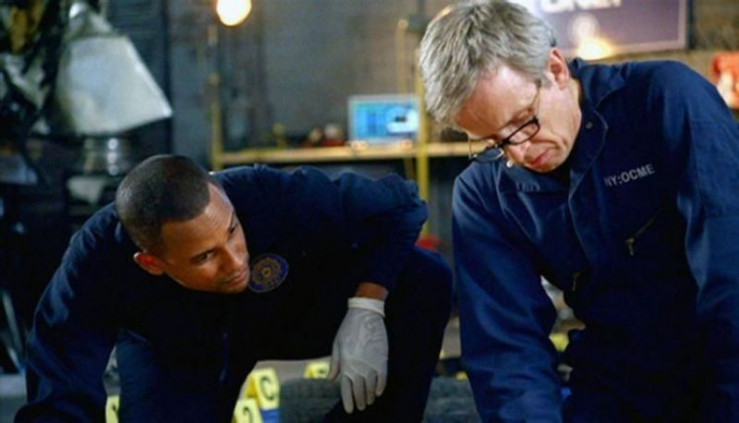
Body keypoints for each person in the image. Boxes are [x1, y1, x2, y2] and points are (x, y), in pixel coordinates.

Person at [419, 1, 739, 422]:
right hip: (615, 380)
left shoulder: (665, 101)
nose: (518, 154)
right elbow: (508, 352)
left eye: (524, 122)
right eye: (494, 142)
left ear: (555, 70)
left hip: (717, 361)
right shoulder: (483, 192)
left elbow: (729, 275)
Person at [16, 155, 452, 422]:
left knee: (425, 276)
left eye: (232, 231)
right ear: (151, 263)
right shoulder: (95, 261)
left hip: (289, 312)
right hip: (179, 354)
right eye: (206, 256)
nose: (236, 261)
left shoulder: (266, 192)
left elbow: (403, 204)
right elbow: (61, 384)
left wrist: (367, 305)